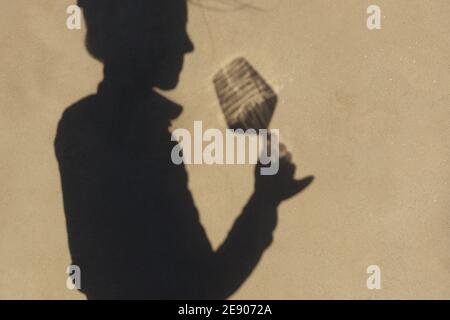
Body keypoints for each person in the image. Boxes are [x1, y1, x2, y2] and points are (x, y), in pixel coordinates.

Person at [55, 0, 314, 299]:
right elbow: (200, 290)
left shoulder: (81, 124)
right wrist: (265, 200)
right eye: (176, 30)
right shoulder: (138, 133)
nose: (188, 46)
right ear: (141, 37)